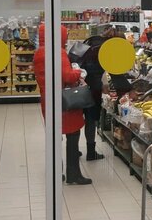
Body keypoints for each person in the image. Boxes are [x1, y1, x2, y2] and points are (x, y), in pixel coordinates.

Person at [35, 23, 91, 185]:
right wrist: (78, 72)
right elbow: (67, 76)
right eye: (64, 36)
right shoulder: (57, 52)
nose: (65, 40)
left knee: (54, 138)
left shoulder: (39, 53)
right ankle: (74, 174)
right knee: (73, 136)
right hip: (64, 102)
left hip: (47, 99)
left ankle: (55, 172)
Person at [77, 24, 130, 161]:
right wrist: (128, 89)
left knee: (77, 119)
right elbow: (115, 74)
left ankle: (74, 149)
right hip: (91, 88)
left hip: (77, 84)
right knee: (91, 119)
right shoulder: (107, 49)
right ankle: (90, 152)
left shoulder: (93, 41)